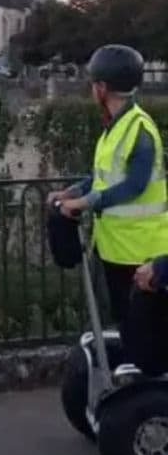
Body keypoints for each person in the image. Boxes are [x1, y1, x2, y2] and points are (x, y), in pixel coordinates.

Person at [48, 44, 168, 357]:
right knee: (127, 327)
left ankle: (148, 400)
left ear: (102, 88)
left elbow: (135, 186)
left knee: (146, 336)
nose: (91, 89)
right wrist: (72, 192)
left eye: (93, 83)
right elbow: (103, 178)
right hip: (115, 246)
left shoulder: (139, 129)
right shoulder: (115, 127)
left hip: (141, 251)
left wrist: (84, 204)